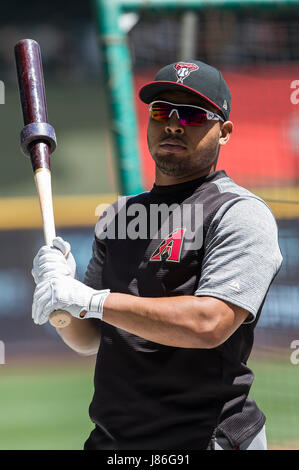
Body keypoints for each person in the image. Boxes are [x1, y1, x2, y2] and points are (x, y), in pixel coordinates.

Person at [31, 60, 282, 450]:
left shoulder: (239, 212)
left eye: (193, 115)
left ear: (225, 132)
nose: (173, 124)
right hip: (114, 441)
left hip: (204, 437)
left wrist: (92, 300)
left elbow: (208, 324)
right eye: (162, 111)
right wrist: (61, 298)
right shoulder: (118, 215)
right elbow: (89, 337)